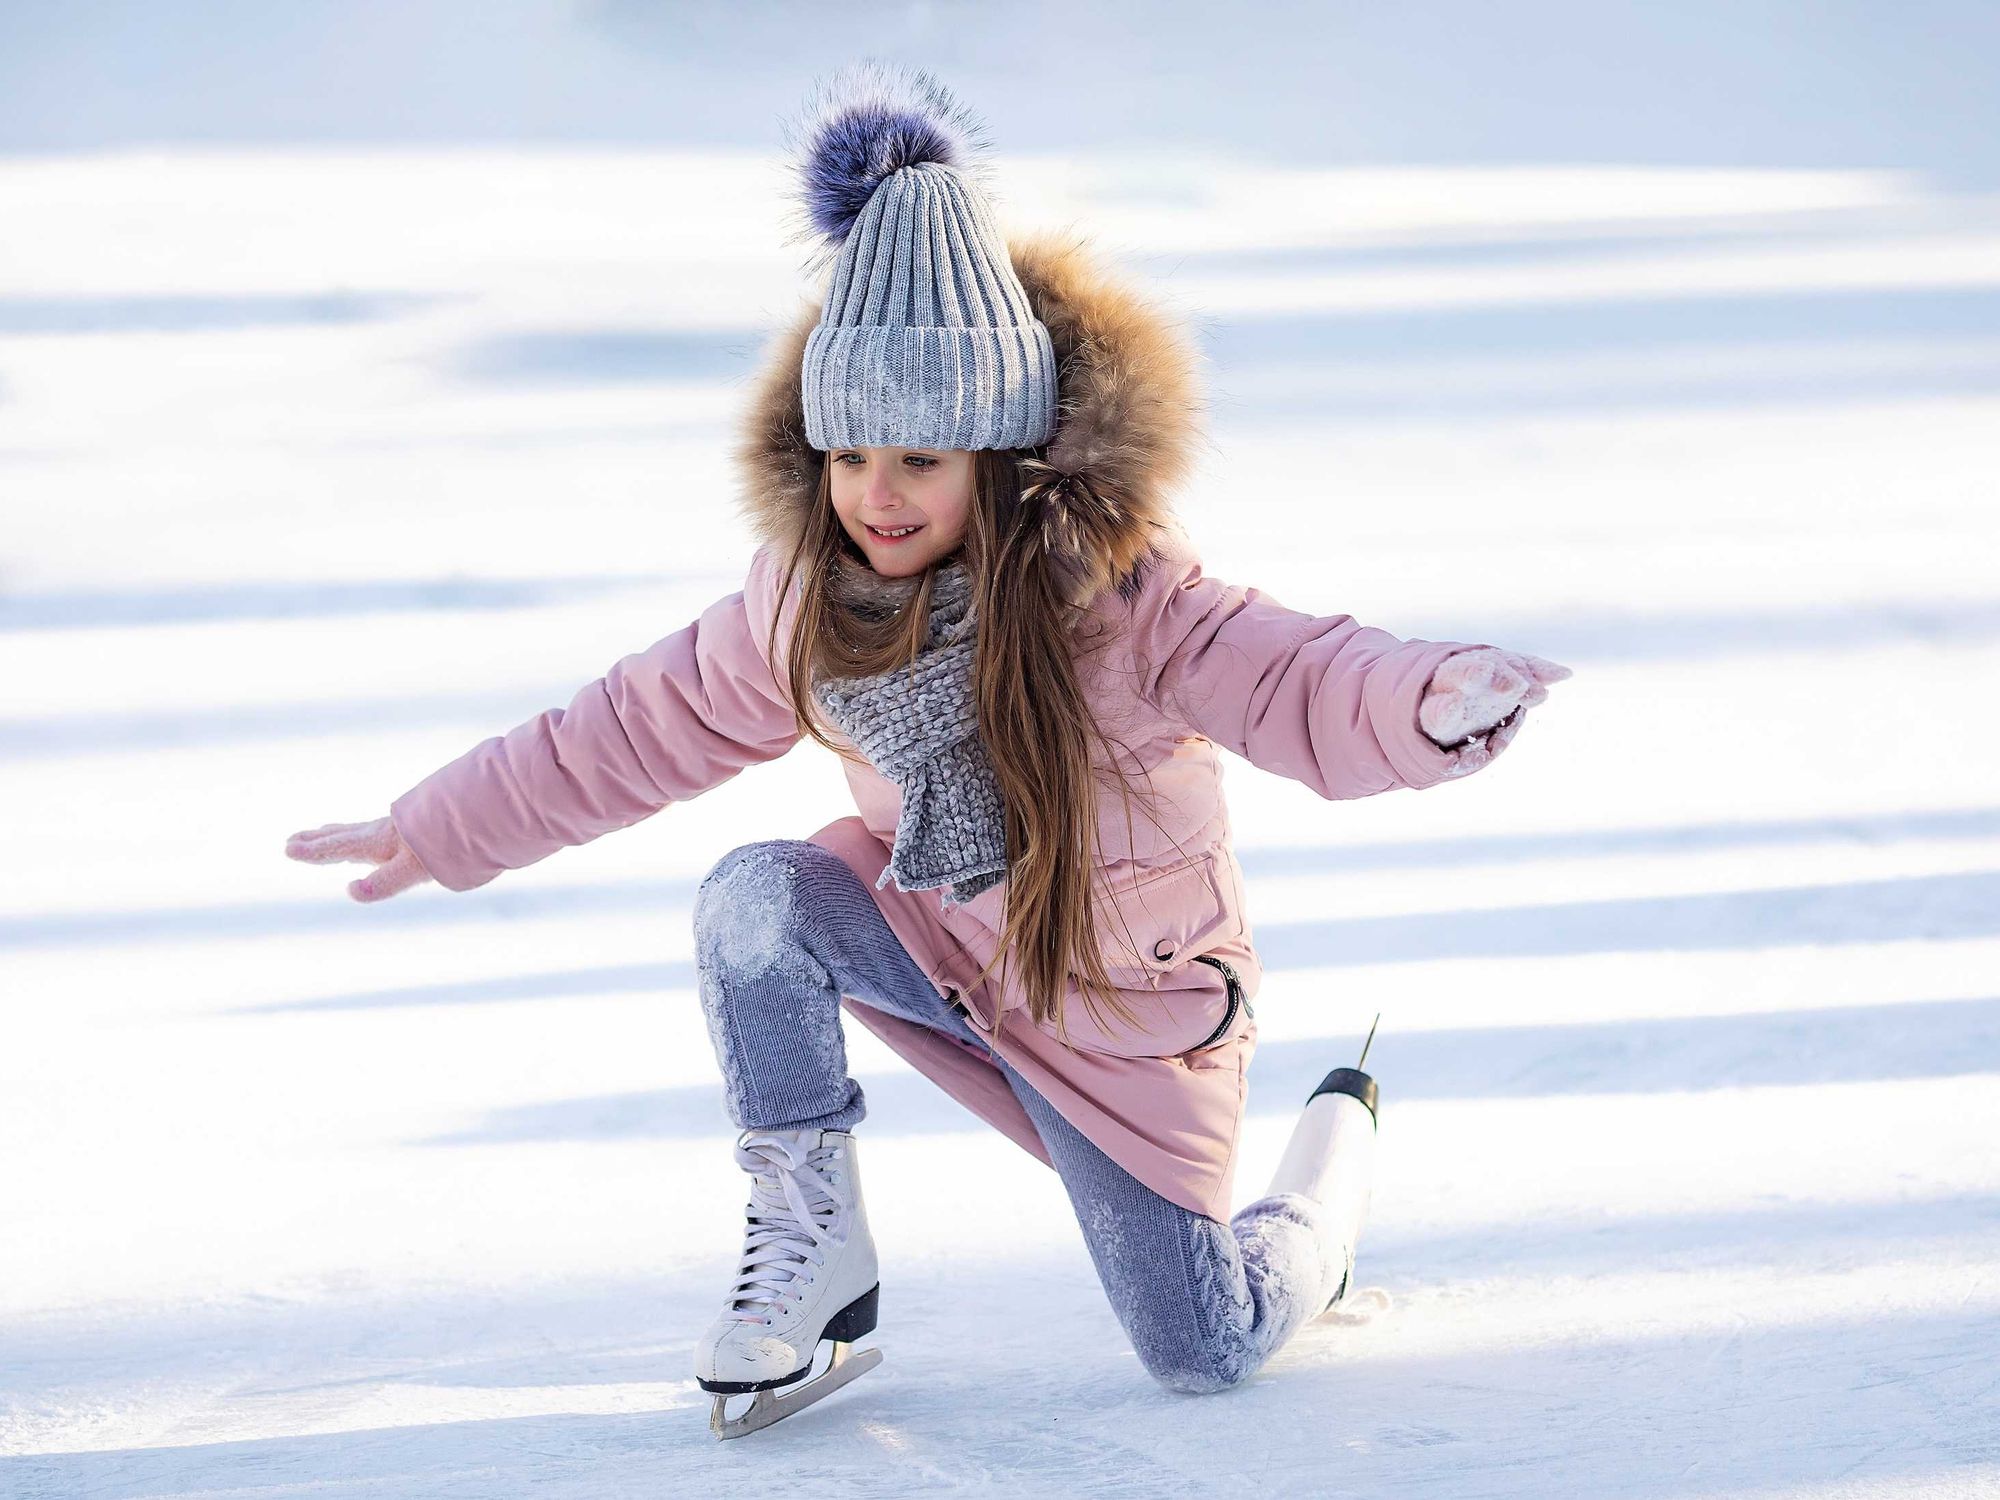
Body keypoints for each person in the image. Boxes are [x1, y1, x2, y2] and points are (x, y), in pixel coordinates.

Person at [284, 61, 1570, 1434]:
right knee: (756, 897)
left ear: (997, 455)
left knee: (1204, 1346)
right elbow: (634, 723)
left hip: (1115, 1016)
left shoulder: (1123, 598)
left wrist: (1427, 697)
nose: (875, 497)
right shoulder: (810, 604)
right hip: (939, 951)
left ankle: (1323, 1189)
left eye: (919, 459)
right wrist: (445, 823)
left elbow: (1299, 671)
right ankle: (815, 1256)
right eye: (848, 458)